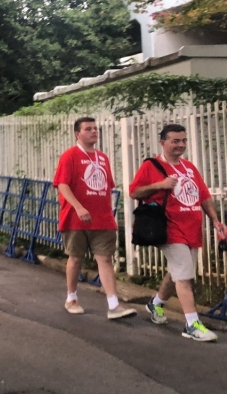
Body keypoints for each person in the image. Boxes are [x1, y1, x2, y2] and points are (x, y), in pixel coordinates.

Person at [129, 123, 227, 342]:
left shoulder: (189, 167)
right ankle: (192, 324)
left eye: (183, 141)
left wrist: (215, 220)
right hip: (168, 227)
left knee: (178, 271)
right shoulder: (151, 166)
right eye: (175, 141)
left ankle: (156, 304)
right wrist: (160, 185)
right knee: (184, 276)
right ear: (163, 142)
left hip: (191, 228)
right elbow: (134, 191)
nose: (180, 145)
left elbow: (203, 196)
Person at [53, 117, 135, 319]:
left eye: (95, 128)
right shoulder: (70, 156)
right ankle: (71, 297)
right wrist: (78, 207)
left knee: (105, 258)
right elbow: (62, 185)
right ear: (77, 134)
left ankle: (113, 305)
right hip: (75, 218)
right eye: (88, 129)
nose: (94, 131)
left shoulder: (102, 158)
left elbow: (106, 186)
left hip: (102, 219)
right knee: (76, 258)